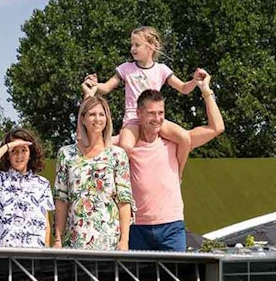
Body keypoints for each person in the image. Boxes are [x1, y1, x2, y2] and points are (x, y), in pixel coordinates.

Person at [113, 71, 224, 251]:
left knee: (176, 277)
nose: (157, 119)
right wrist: (90, 95)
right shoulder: (125, 143)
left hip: (171, 227)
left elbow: (217, 127)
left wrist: (206, 91)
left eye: (161, 113)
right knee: (137, 279)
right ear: (139, 113)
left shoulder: (175, 142)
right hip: (136, 227)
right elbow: (92, 142)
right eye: (151, 113)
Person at [82, 26, 203, 176]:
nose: (132, 48)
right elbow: (106, 88)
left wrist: (195, 80)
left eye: (137, 45)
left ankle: (177, 175)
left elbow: (184, 88)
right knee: (126, 145)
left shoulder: (161, 69)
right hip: (133, 118)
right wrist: (94, 84)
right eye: (131, 44)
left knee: (185, 138)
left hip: (154, 118)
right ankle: (123, 179)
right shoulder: (126, 68)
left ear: (151, 47)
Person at [53, 96, 134, 250]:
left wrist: (124, 240)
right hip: (74, 240)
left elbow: (124, 200)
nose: (97, 119)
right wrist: (58, 239)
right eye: (92, 114)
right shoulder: (66, 154)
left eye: (101, 114)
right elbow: (61, 199)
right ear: (82, 119)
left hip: (108, 241)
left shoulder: (117, 155)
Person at [0, 128, 54, 248]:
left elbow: (46, 222)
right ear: (8, 155)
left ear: (31, 153)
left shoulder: (42, 183)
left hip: (35, 253)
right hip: (5, 252)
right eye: (14, 151)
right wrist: (7, 147)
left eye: (24, 150)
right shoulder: (1, 179)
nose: (19, 156)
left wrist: (46, 250)